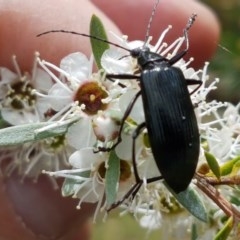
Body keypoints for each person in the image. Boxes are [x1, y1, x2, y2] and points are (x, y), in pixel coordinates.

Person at [0, 0, 220, 239]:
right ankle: (142, 178)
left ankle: (137, 180)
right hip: (184, 139)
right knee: (139, 135)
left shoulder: (146, 79)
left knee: (136, 133)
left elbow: (131, 108)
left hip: (172, 142)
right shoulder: (173, 72)